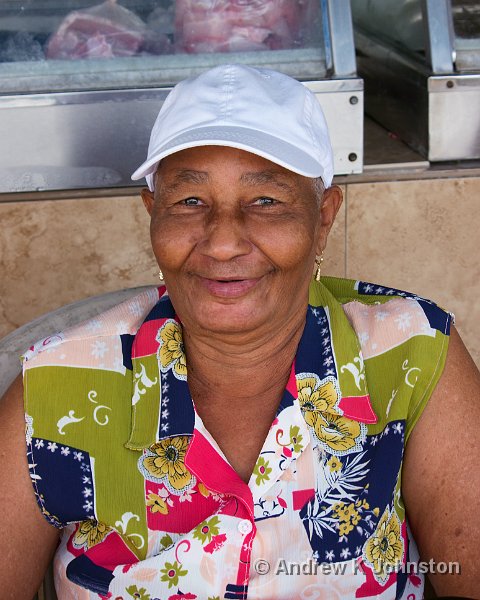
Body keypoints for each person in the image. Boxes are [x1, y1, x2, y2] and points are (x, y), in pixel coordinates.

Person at [1, 64, 479, 600]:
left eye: (266, 201)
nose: (223, 242)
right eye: (190, 201)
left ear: (323, 218)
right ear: (152, 213)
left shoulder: (413, 351)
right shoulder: (54, 388)